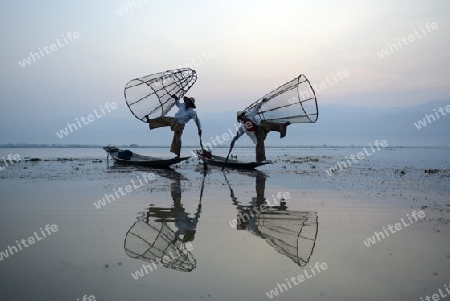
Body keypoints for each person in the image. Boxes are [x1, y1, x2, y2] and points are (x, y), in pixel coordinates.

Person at [229, 98, 290, 163]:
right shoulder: (243, 127)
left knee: (268, 124)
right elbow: (238, 134)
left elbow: (256, 108)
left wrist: (261, 102)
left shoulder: (250, 115)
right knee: (260, 144)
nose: (242, 117)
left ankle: (282, 126)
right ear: (240, 119)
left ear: (244, 114)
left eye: (242, 115)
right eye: (241, 117)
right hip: (258, 133)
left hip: (262, 126)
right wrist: (233, 140)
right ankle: (260, 159)